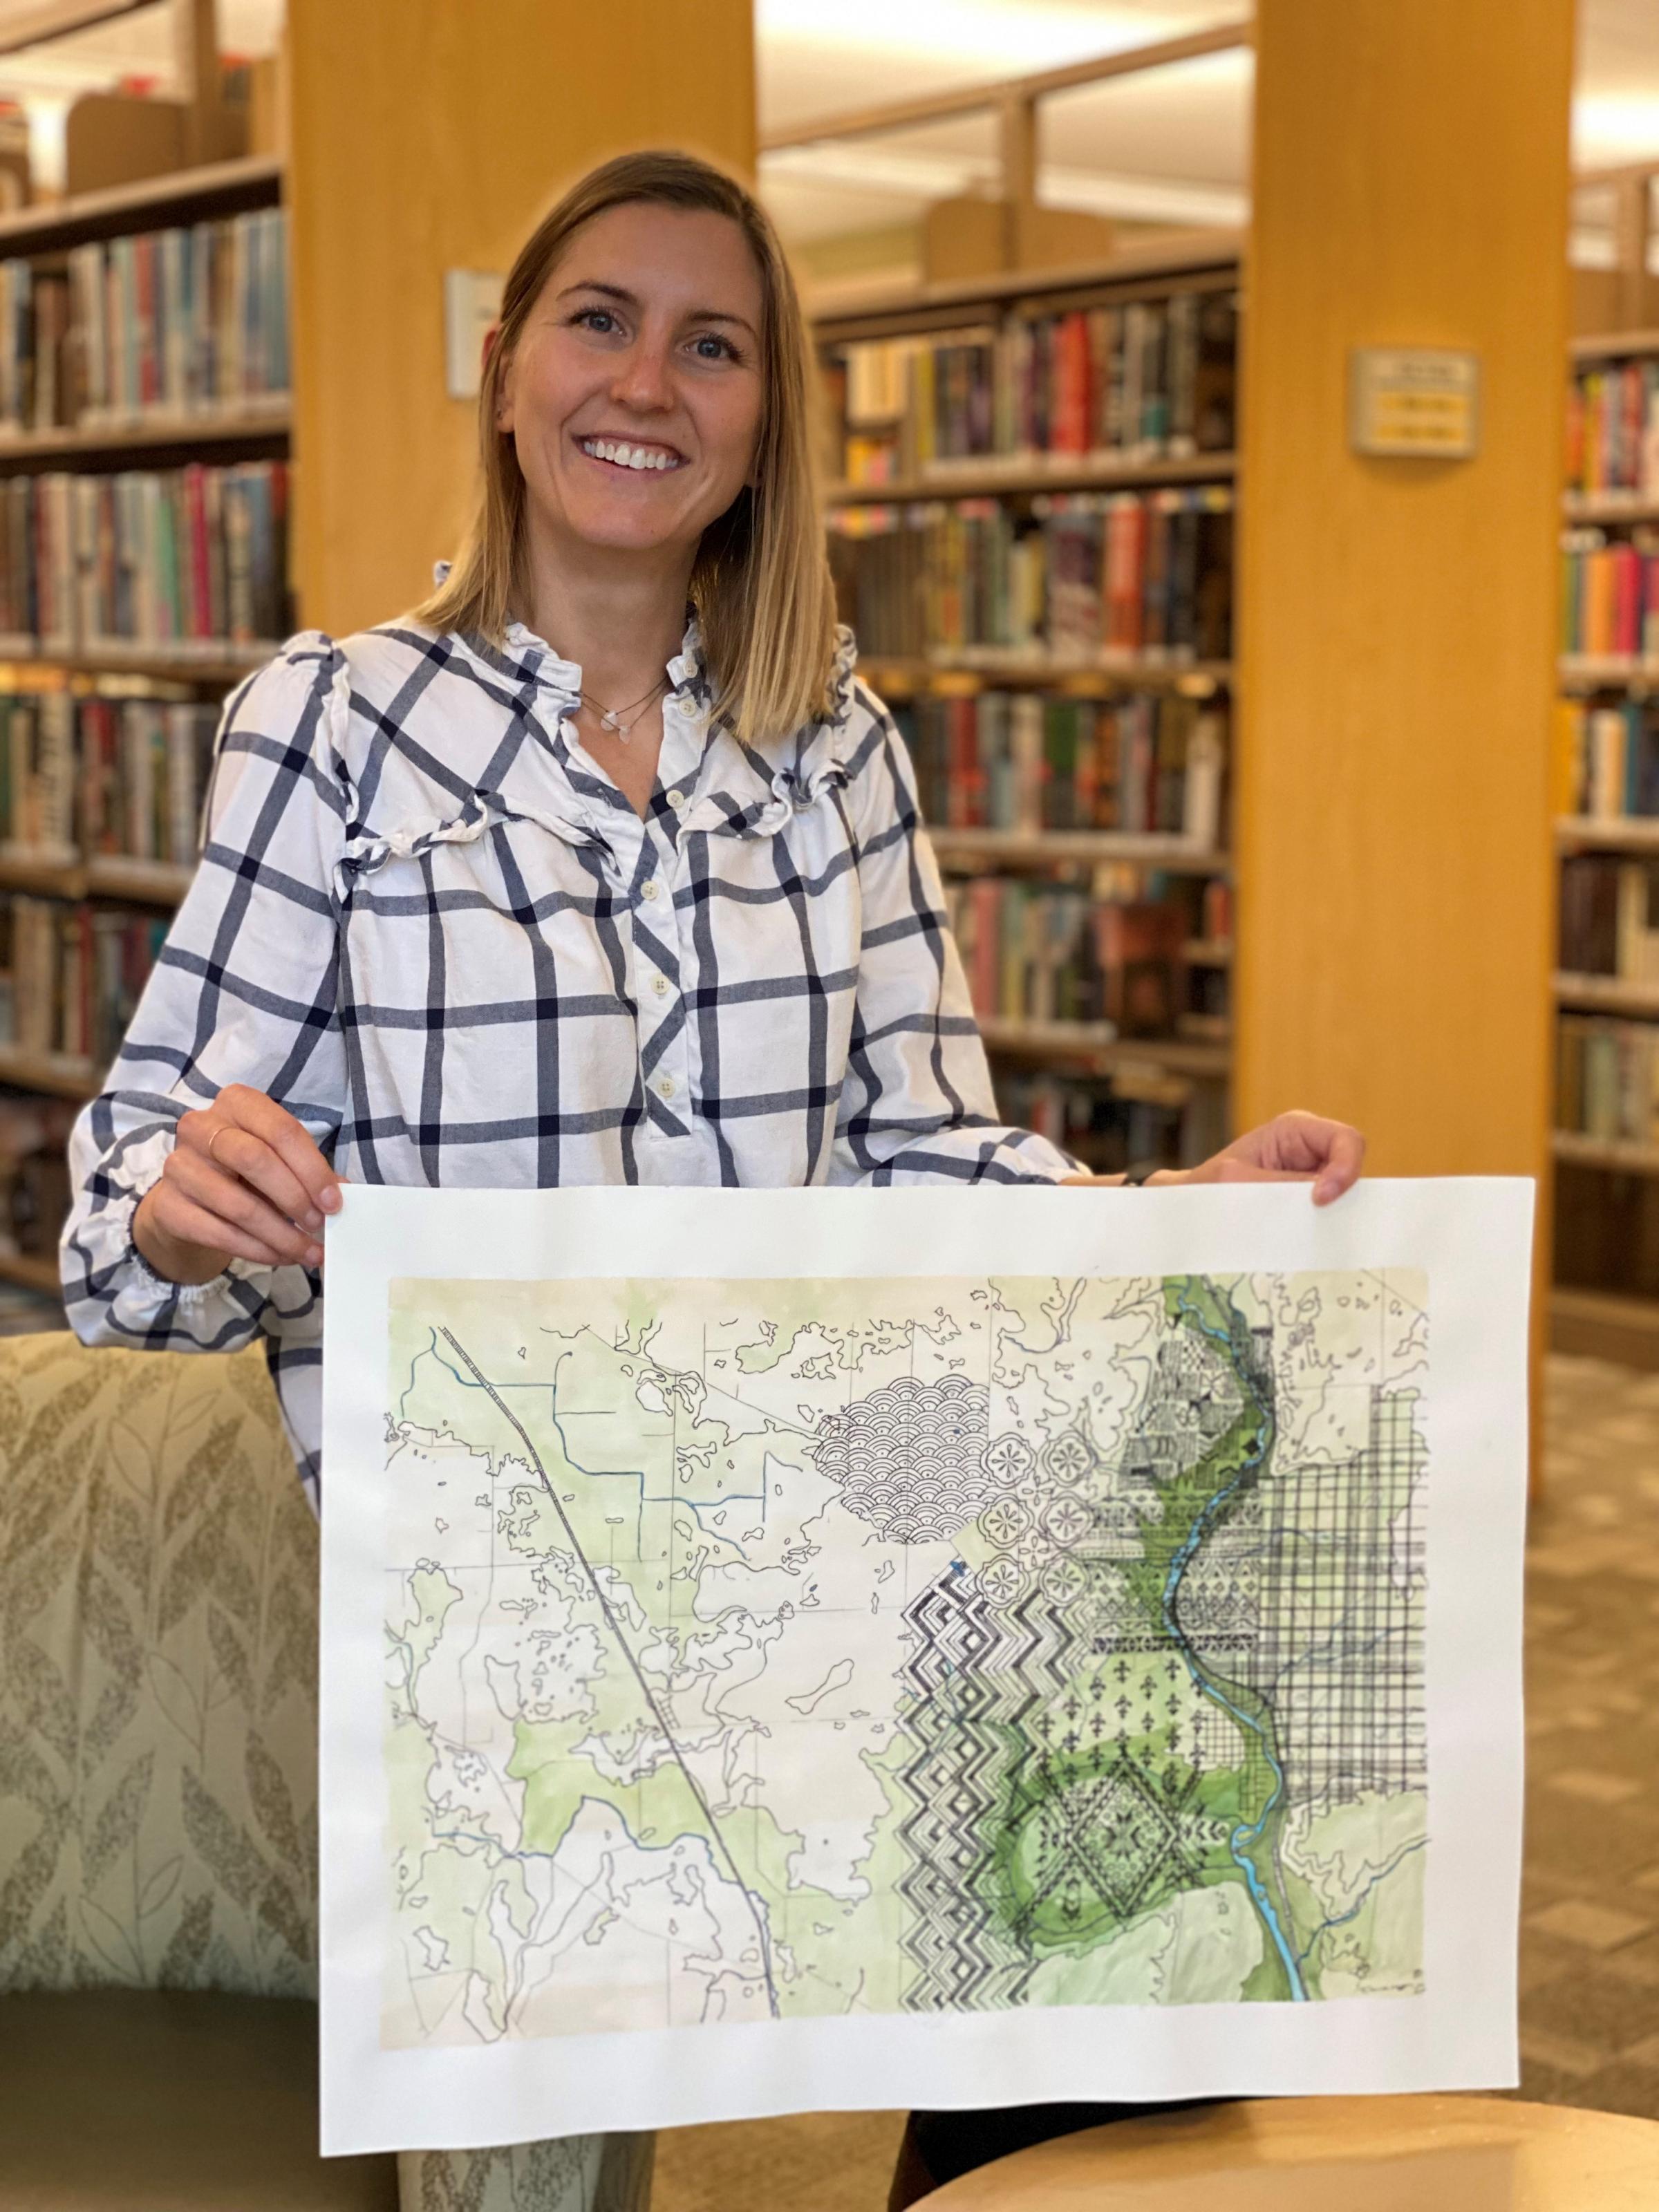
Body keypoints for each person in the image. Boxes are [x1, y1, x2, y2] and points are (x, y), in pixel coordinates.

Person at [61, 149, 1364, 2204]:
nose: (646, 382)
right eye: (600, 321)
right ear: (508, 369)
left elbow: (922, 1151)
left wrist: (1168, 1213)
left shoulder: (837, 748)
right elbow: (122, 1214)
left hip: (795, 1524)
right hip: (500, 1571)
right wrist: (177, 1198)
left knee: (1121, 1893)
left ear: (763, 424)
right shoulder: (334, 723)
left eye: (713, 345)